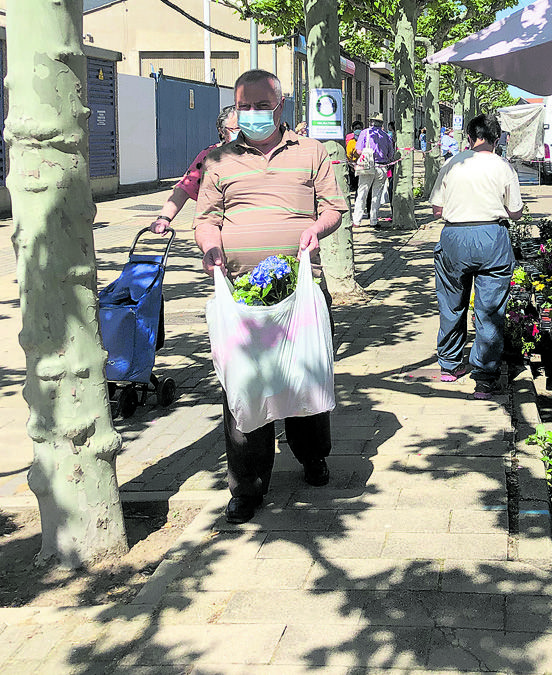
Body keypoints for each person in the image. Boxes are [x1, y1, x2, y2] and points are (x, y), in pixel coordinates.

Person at [193, 69, 347, 524]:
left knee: (304, 374)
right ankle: (246, 487)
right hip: (242, 294)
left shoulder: (311, 152)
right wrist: (209, 247)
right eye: (243, 106)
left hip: (300, 288)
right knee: (243, 387)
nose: (251, 114)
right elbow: (205, 218)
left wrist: (317, 230)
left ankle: (313, 456)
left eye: (260, 105)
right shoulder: (219, 159)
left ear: (279, 106)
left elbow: (334, 206)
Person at [429, 114, 524, 399]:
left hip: (454, 237)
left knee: (451, 304)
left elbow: (436, 210)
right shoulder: (503, 166)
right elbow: (516, 211)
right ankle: (483, 379)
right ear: (497, 140)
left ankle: (449, 365)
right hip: (491, 237)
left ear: (470, 138)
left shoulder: (452, 163)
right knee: (489, 309)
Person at [148, 106, 237, 234]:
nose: (242, 133)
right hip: (219, 230)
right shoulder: (210, 157)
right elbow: (185, 187)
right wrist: (164, 218)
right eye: (236, 129)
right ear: (222, 131)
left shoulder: (260, 154)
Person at [352, 112, 394, 228]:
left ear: (371, 122)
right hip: (381, 167)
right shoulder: (386, 136)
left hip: (367, 166)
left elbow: (359, 150)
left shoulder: (365, 133)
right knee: (377, 194)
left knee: (362, 192)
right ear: (381, 124)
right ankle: (374, 220)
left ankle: (357, 220)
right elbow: (390, 154)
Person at [345, 120, 363, 193]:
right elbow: (348, 153)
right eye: (356, 128)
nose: (358, 130)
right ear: (353, 129)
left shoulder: (365, 139)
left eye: (359, 128)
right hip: (353, 164)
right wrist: (351, 163)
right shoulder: (350, 140)